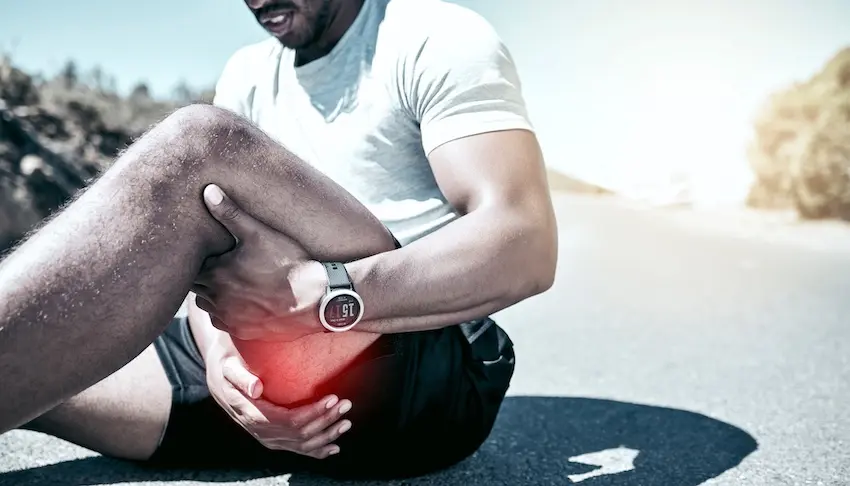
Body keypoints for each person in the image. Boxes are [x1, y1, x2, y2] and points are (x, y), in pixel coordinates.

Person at [0, 0, 558, 478]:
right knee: (32, 363)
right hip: (260, 343)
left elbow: (524, 242)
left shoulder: (433, 37)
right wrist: (221, 366)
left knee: (200, 144)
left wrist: (327, 295)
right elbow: (208, 248)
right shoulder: (248, 71)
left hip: (414, 360)